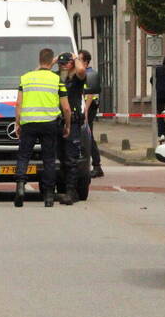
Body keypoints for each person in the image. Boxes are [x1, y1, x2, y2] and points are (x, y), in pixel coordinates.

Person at [14, 48, 70, 208]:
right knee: (49, 160)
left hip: (29, 123)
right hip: (50, 124)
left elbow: (18, 103)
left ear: (39, 60)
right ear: (52, 61)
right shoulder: (56, 79)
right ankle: (49, 196)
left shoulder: (26, 78)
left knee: (24, 156)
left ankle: (19, 188)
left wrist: (18, 122)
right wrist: (67, 125)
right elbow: (66, 108)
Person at [57, 52, 88, 205]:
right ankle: (63, 190)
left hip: (73, 122)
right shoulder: (57, 78)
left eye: (65, 63)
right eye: (61, 64)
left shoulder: (77, 79)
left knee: (71, 158)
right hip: (58, 121)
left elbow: (82, 70)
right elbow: (39, 73)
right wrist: (54, 60)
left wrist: (76, 58)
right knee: (61, 158)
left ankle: (71, 192)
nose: (63, 66)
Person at [80, 50, 103, 178]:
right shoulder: (84, 73)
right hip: (86, 108)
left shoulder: (89, 74)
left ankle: (97, 165)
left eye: (80, 59)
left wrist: (86, 111)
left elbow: (89, 94)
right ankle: (95, 165)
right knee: (88, 136)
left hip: (89, 108)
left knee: (88, 136)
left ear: (86, 62)